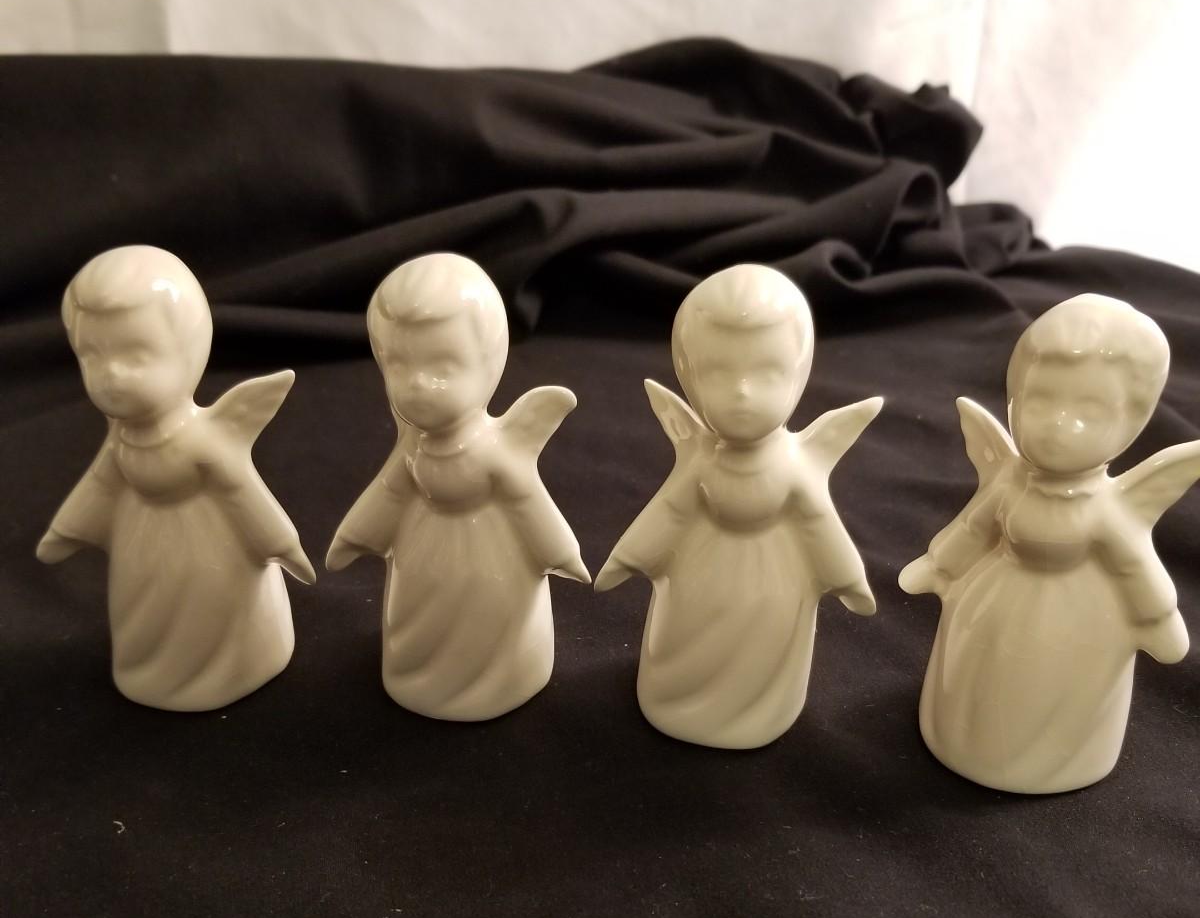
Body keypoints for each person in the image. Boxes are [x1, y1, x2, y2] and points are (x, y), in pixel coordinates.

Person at [900, 293, 1200, 793]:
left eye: (1090, 411)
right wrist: (939, 565)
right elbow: (974, 527)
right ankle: (965, 738)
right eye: (1041, 402)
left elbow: (1134, 567)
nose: (1060, 426)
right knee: (978, 673)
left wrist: (1157, 619)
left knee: (1051, 687)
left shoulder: (1106, 511)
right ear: (1013, 399)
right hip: (994, 604)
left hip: (1077, 624)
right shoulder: (1009, 483)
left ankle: (1047, 760)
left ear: (1133, 423)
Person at [595, 263, 881, 749]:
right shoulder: (702, 463)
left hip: (773, 589)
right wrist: (628, 558)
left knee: (762, 654)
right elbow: (670, 512)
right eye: (717, 373)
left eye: (766, 374)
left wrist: (848, 579)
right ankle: (675, 700)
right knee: (683, 642)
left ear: (798, 376)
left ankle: (758, 712)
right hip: (698, 582)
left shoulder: (793, 468)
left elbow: (819, 523)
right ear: (687, 377)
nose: (742, 393)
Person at [38, 245, 314, 710]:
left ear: (188, 353)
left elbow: (242, 492)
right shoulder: (121, 437)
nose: (110, 375)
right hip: (143, 553)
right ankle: (154, 673)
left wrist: (282, 544)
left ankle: (233, 668)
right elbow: (101, 485)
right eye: (92, 356)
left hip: (211, 556)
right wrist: (66, 531)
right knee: (143, 615)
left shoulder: (202, 440)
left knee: (212, 615)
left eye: (135, 355)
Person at [326, 252, 589, 720]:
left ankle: (502, 679)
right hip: (422, 561)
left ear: (489, 365)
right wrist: (354, 536)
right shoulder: (413, 448)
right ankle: (419, 678)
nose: (417, 385)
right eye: (399, 366)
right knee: (416, 622)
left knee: (490, 626)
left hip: (492, 564)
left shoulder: (496, 452)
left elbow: (528, 501)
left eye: (442, 368)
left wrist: (560, 554)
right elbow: (388, 493)